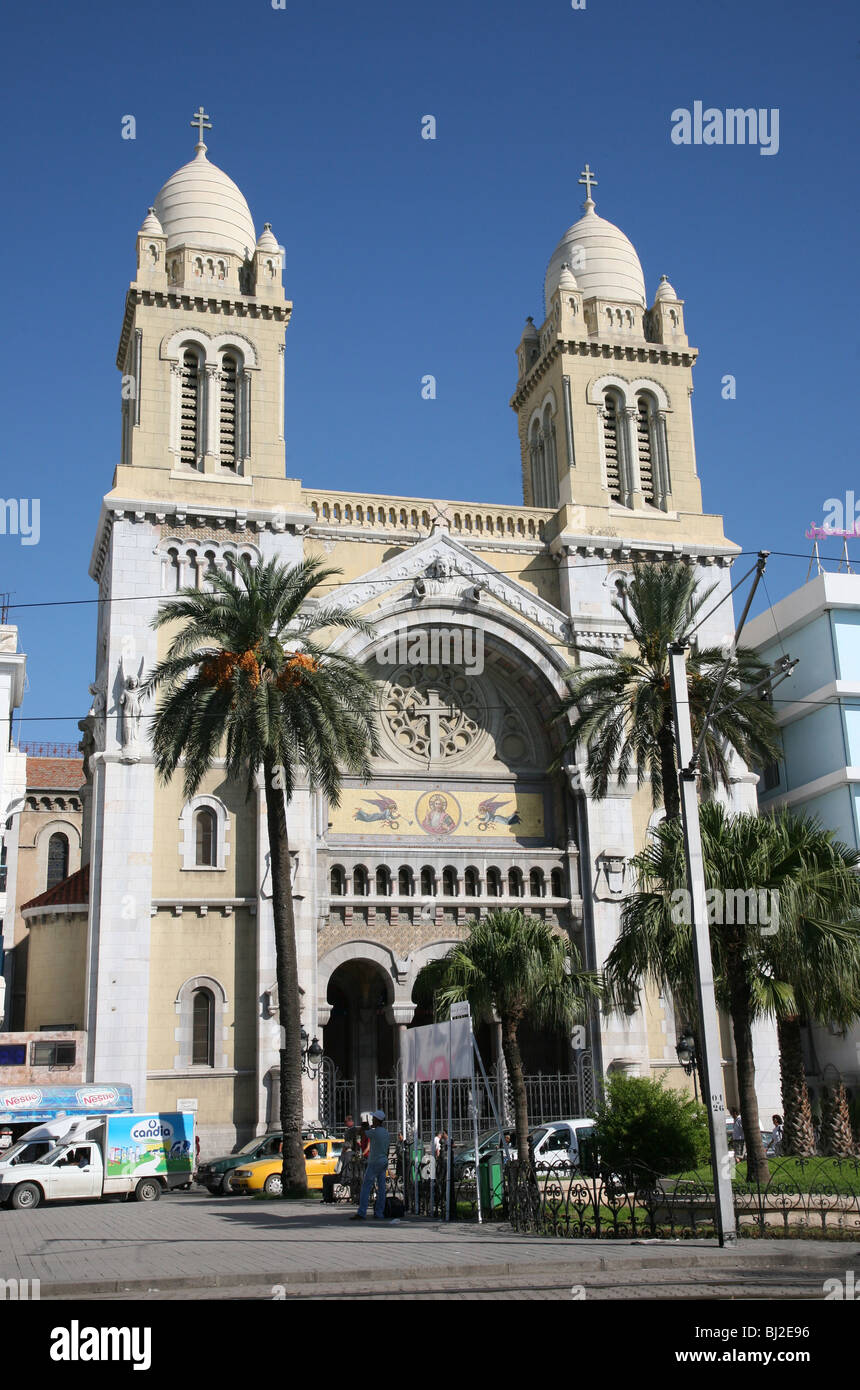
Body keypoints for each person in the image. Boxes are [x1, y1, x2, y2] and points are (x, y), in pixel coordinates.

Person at [351, 1110, 390, 1220]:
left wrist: (365, 1127)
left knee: (366, 1187)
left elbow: (363, 1133)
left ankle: (362, 1212)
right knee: (381, 1188)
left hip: (374, 1162)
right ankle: (379, 1212)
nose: (372, 1120)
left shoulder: (375, 1132)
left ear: (378, 1120)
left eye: (374, 1119)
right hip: (383, 1161)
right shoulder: (386, 1132)